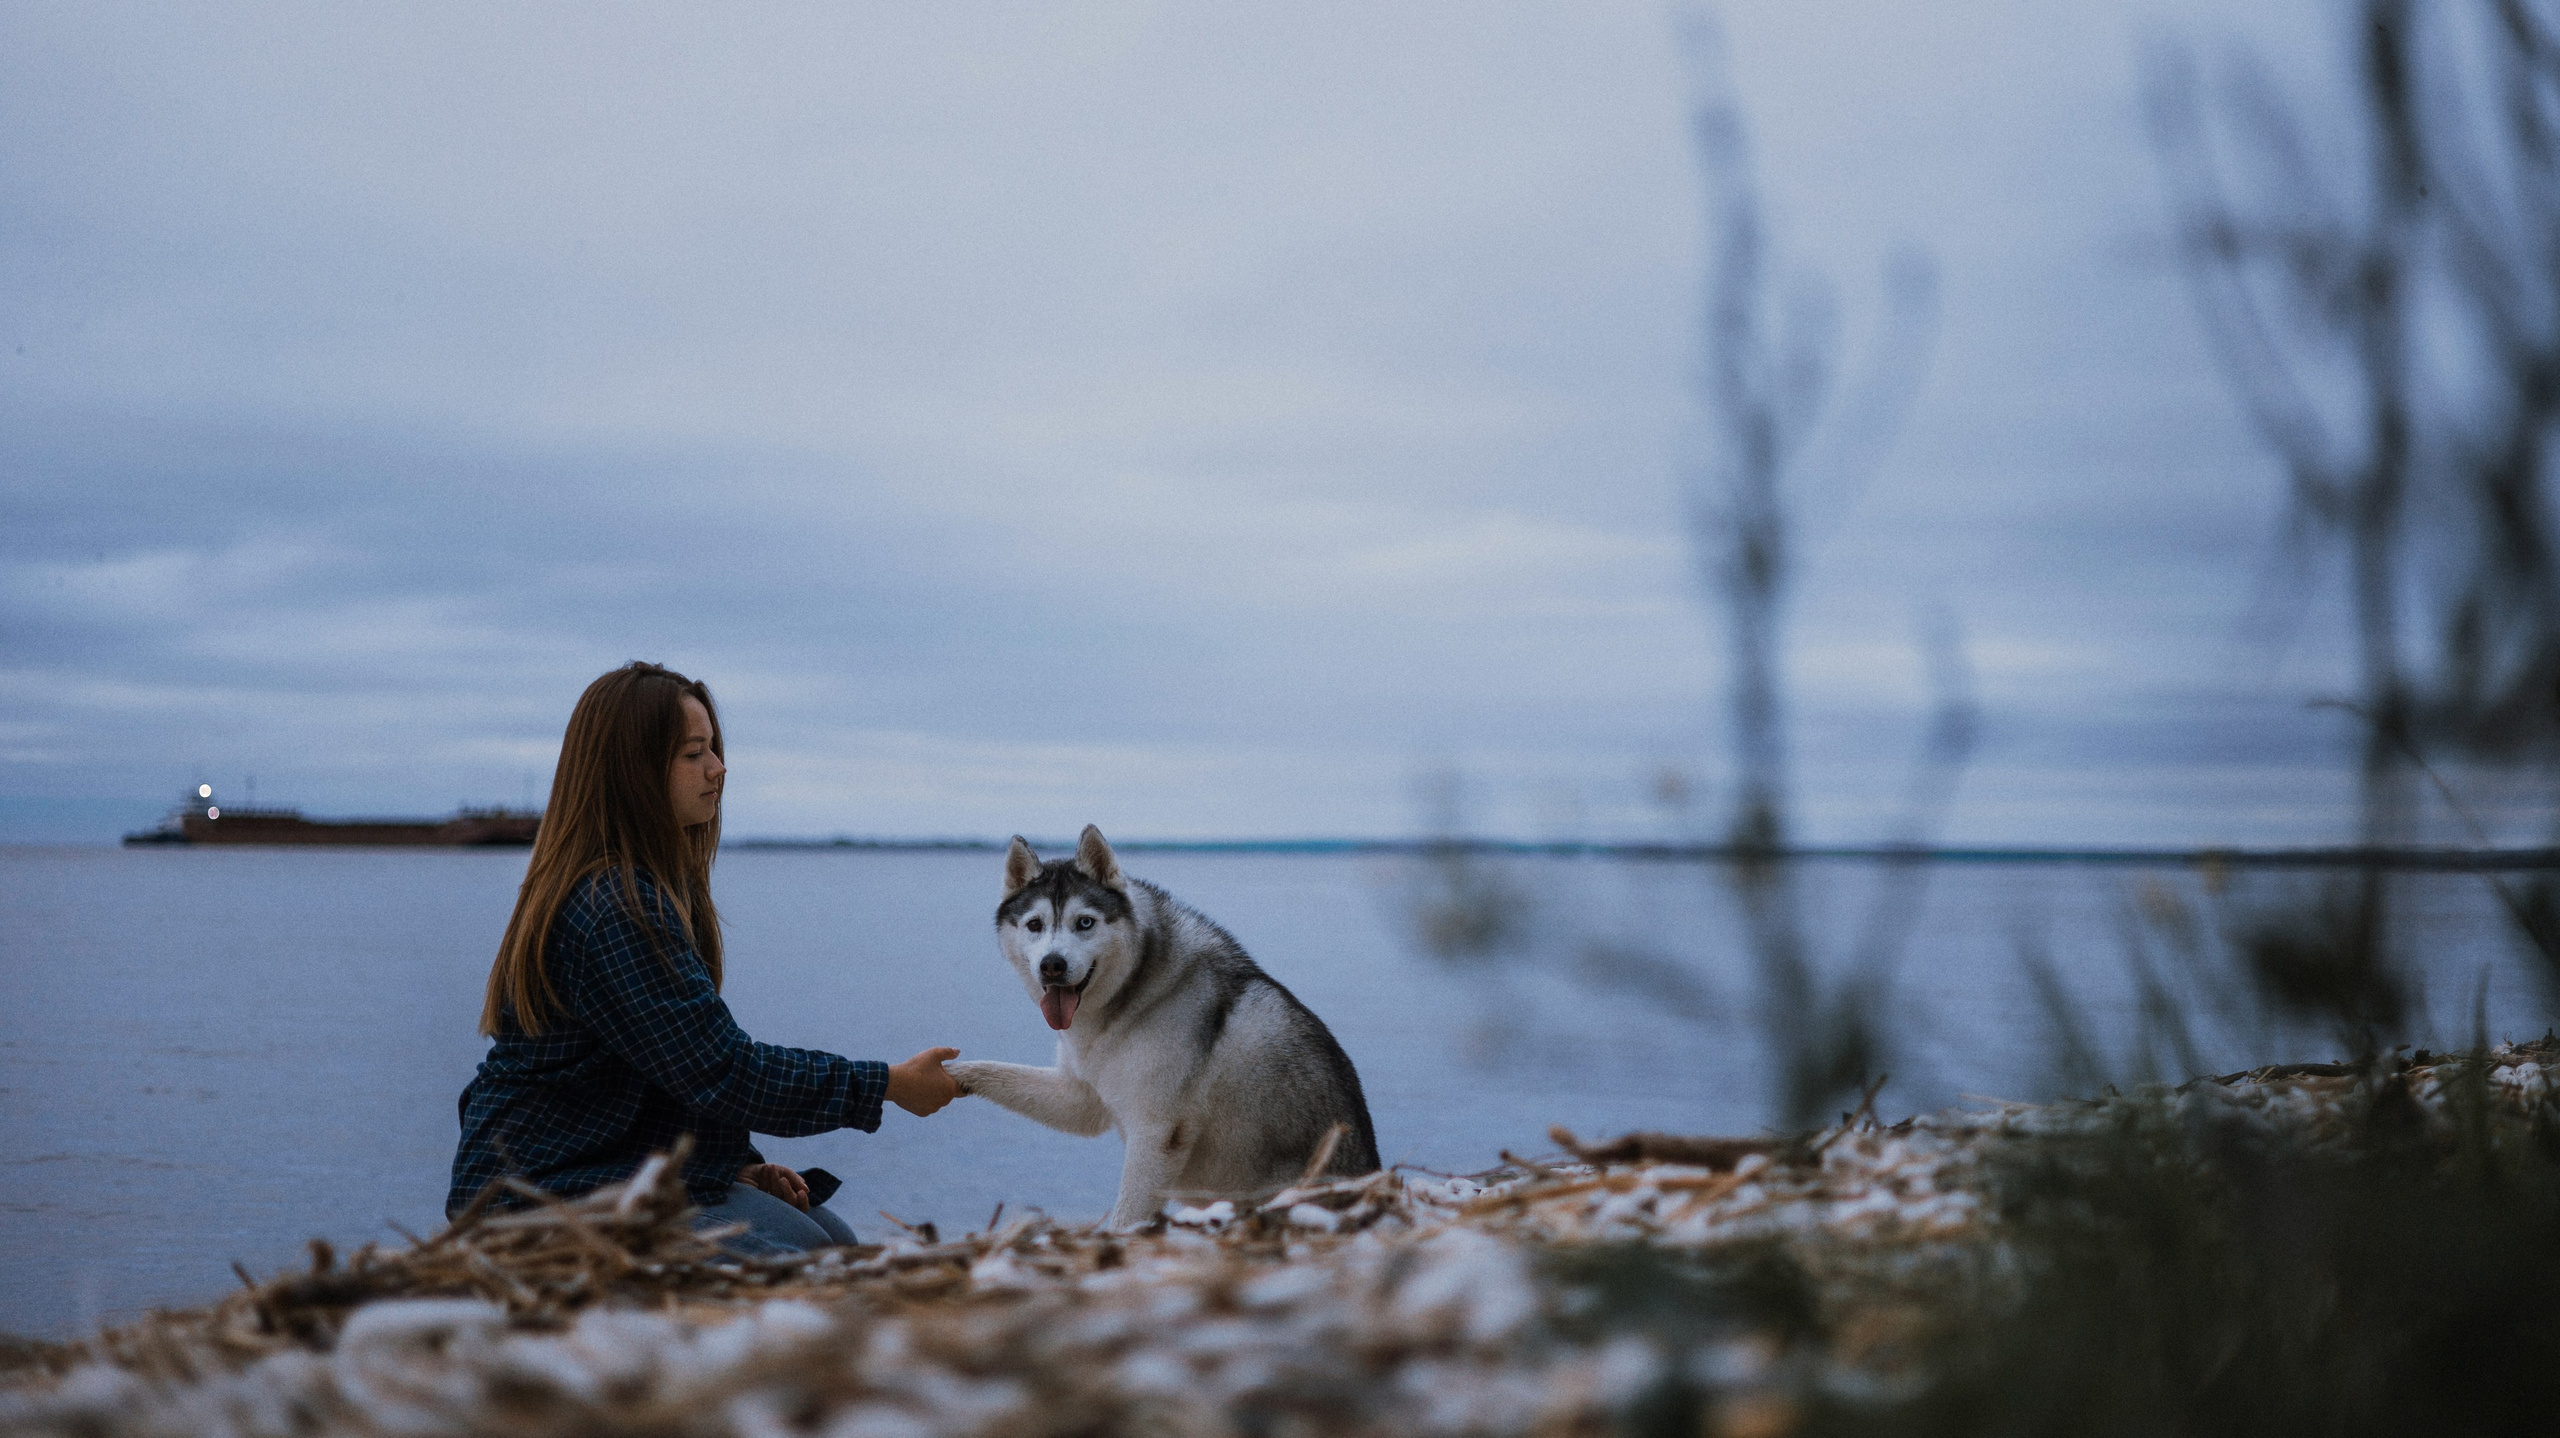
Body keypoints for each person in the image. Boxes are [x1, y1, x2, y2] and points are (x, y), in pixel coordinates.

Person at [447, 661, 960, 1254]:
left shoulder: (646, 890)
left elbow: (662, 1069)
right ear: (634, 771)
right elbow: (721, 1070)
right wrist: (887, 1085)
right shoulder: (614, 907)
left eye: (712, 749)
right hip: (539, 1198)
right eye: (694, 754)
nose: (718, 768)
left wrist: (735, 1163)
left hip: (615, 1173)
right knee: (808, 1266)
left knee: (833, 1241)